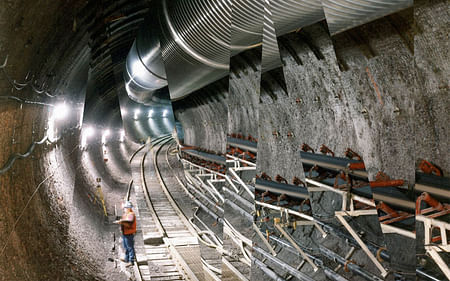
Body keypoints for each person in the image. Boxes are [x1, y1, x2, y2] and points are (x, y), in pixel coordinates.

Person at [114, 201, 136, 267]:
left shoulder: (131, 214)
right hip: (125, 232)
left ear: (128, 208)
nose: (124, 209)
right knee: (126, 246)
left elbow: (129, 221)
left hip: (129, 233)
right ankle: (126, 258)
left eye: (125, 208)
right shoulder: (127, 214)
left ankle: (131, 261)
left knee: (130, 247)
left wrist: (121, 221)